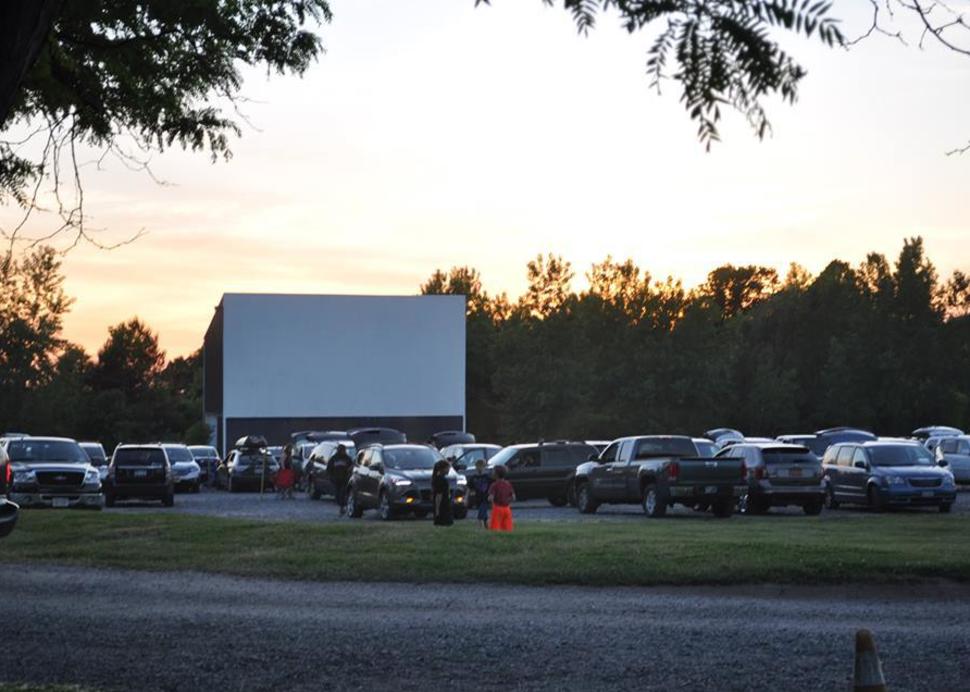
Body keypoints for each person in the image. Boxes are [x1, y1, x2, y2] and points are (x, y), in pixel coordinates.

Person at [326, 443, 354, 515]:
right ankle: (342, 506)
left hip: (345, 479)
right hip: (336, 479)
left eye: (344, 450)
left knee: (343, 493)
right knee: (337, 495)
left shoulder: (348, 459)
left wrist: (349, 472)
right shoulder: (333, 459)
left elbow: (352, 467)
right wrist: (330, 477)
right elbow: (329, 469)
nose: (343, 451)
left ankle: (343, 507)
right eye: (342, 450)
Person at [487, 464, 515, 532]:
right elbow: (513, 497)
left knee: (495, 527)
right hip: (507, 508)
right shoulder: (508, 484)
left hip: (497, 507)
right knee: (507, 528)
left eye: (493, 472)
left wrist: (489, 499)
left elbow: (491, 497)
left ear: (496, 474)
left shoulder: (494, 485)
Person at [468, 458, 492, 528]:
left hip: (485, 497)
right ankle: (486, 525)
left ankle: (480, 527)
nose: (480, 468)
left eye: (481, 466)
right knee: (483, 512)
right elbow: (469, 488)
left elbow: (492, 487)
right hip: (478, 497)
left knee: (481, 512)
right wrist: (467, 497)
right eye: (478, 466)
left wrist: (491, 494)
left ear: (484, 467)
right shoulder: (474, 478)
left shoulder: (487, 477)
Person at [431, 459, 454, 527]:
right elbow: (439, 495)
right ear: (443, 469)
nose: (448, 470)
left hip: (445, 503)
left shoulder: (437, 479)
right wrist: (437, 509)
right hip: (443, 504)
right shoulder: (441, 480)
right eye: (447, 468)